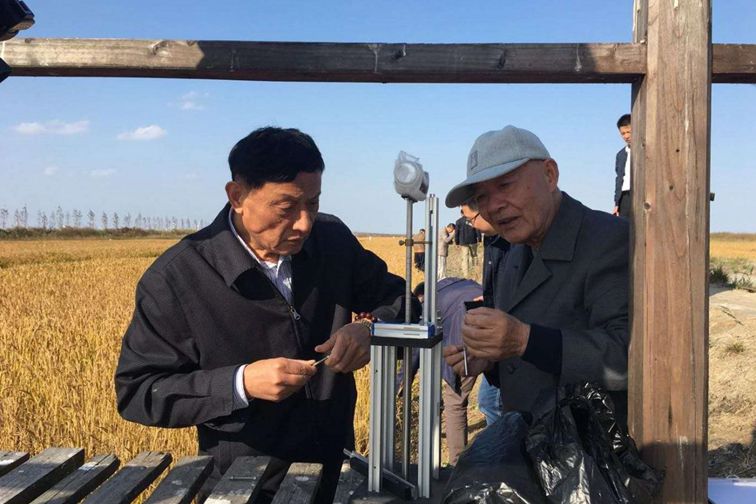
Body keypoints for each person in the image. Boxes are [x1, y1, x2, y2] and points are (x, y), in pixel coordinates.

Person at [114, 127, 416, 504]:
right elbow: (139, 392)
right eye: (286, 208)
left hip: (337, 474)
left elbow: (402, 300)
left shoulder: (332, 241)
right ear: (237, 196)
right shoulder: (177, 278)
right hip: (242, 487)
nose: (304, 223)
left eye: (313, 204)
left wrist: (372, 330)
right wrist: (240, 383)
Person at [444, 125, 629, 425]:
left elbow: (628, 359)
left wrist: (523, 341)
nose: (493, 206)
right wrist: (491, 360)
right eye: (481, 197)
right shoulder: (514, 251)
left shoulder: (609, 240)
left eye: (505, 185)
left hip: (592, 447)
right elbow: (525, 361)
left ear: (550, 175)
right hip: (528, 442)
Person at [408, 278, 483, 465]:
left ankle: (457, 464)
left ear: (421, 297)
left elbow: (417, 345)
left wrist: (402, 380)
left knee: (455, 401)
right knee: (495, 394)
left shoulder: (429, 303)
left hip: (467, 334)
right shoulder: (454, 284)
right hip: (495, 318)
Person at [459, 201, 509, 425]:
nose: (470, 225)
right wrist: (488, 300)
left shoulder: (513, 244)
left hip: (508, 342)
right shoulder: (491, 241)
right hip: (498, 340)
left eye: (471, 219)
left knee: (490, 402)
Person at [613, 114, 632, 218]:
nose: (626, 136)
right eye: (623, 133)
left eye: (629, 132)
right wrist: (617, 203)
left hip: (642, 194)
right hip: (624, 197)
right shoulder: (620, 155)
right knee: (624, 225)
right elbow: (619, 179)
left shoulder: (646, 150)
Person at [454, 210, 481, 279]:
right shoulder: (472, 219)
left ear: (461, 213)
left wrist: (457, 242)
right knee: (474, 256)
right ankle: (475, 272)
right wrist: (479, 238)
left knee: (465, 257)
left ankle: (466, 274)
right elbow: (477, 229)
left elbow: (456, 233)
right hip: (473, 240)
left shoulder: (458, 221)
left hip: (463, 242)